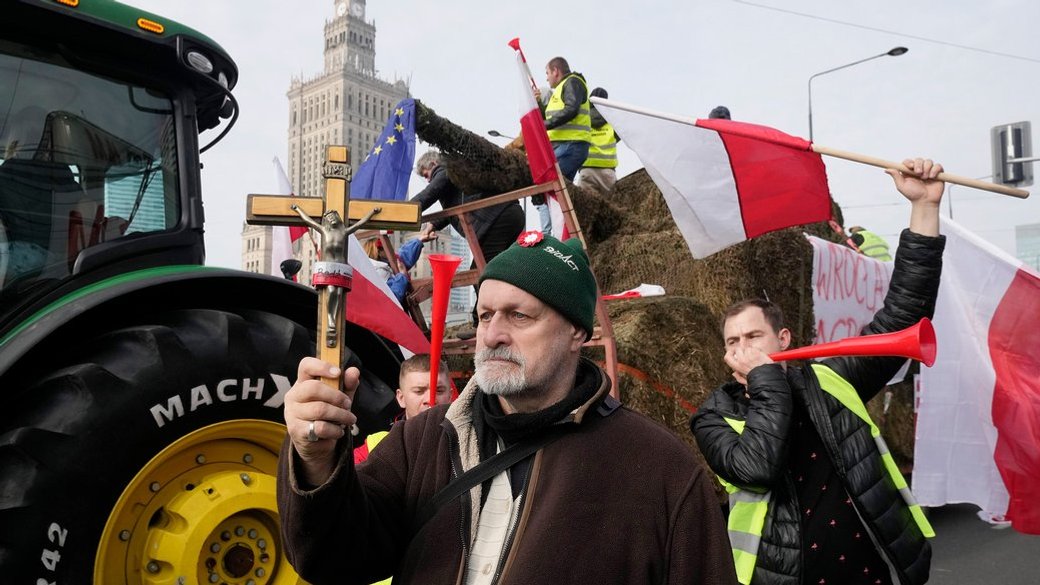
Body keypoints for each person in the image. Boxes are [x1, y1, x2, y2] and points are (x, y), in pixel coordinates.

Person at [278, 231, 737, 584]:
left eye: (520, 316)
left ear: (577, 332)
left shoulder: (659, 471)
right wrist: (315, 462)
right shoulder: (424, 439)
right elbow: (334, 558)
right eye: (484, 315)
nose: (493, 334)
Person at [690, 157, 946, 585]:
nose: (743, 348)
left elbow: (905, 312)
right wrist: (766, 379)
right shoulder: (713, 415)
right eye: (733, 342)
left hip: (876, 570)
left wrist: (924, 208)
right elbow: (757, 469)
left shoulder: (831, 379)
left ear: (784, 339)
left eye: (754, 337)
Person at [413, 150, 524, 336]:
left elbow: (431, 192)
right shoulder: (458, 173)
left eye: (426, 175)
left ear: (432, 164)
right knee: (499, 270)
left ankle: (484, 323)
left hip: (495, 219)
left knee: (481, 272)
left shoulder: (445, 169)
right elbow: (453, 206)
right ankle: (497, 317)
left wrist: (402, 211)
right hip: (507, 214)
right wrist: (432, 225)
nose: (427, 180)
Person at [354, 353, 451, 464]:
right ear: (401, 398)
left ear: (450, 396)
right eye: (419, 391)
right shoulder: (375, 447)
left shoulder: (468, 443)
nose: (430, 399)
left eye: (439, 391)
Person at [532, 57, 592, 235]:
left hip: (571, 145)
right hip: (567, 146)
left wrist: (545, 125)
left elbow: (570, 109)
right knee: (557, 194)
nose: (547, 78)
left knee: (550, 187)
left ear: (556, 71)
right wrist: (539, 105)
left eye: (548, 73)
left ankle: (559, 236)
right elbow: (554, 117)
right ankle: (564, 234)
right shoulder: (561, 90)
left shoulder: (572, 82)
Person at [576, 87, 619, 196]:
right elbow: (619, 137)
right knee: (612, 210)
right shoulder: (613, 121)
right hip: (608, 173)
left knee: (586, 210)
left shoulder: (582, 120)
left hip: (587, 170)